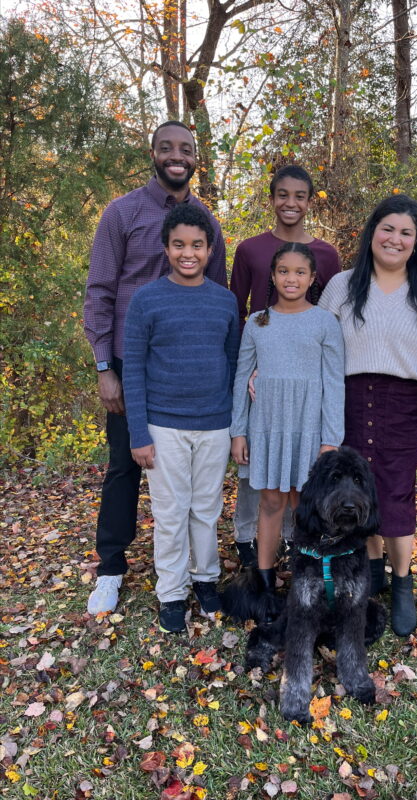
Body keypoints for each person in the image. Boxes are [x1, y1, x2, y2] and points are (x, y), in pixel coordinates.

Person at [83, 121, 227, 615]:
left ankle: (195, 572)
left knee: (192, 490)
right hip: (129, 361)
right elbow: (100, 291)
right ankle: (111, 568)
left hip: (186, 370)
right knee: (124, 464)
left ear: (194, 158)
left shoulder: (206, 222)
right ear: (153, 153)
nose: (176, 156)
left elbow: (220, 298)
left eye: (185, 149)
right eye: (166, 148)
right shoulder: (122, 213)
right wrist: (105, 366)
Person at [319, 195, 417, 637]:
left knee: (396, 494)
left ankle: (401, 581)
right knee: (358, 490)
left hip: (403, 401)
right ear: (372, 231)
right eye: (388, 228)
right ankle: (371, 568)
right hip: (349, 398)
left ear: (416, 241)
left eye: (406, 232)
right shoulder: (341, 285)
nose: (395, 239)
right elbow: (313, 342)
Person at [122, 204, 239, 633]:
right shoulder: (146, 299)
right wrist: (139, 433)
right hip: (163, 425)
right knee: (171, 512)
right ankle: (172, 591)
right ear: (166, 247)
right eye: (179, 245)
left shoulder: (225, 302)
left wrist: (235, 425)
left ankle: (206, 579)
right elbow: (132, 368)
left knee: (206, 509)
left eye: (197, 245)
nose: (187, 253)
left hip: (214, 423)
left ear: (209, 250)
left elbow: (232, 365)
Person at [229, 165, 341, 566]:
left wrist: (332, 435)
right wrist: (239, 423)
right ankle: (258, 566)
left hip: (309, 411)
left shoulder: (328, 260)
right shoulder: (250, 252)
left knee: (303, 498)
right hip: (267, 404)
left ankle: (307, 574)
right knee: (266, 494)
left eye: (299, 195)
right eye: (282, 194)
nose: (290, 202)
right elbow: (236, 313)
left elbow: (330, 360)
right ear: (271, 197)